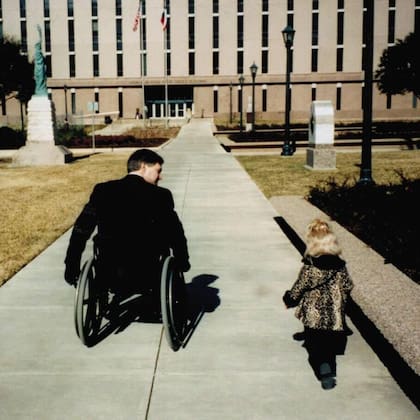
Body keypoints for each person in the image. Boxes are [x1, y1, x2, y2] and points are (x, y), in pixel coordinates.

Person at [64, 149, 190, 300]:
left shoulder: (103, 191)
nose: (160, 177)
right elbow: (175, 233)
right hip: (148, 270)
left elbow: (81, 230)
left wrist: (72, 265)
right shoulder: (161, 195)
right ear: (143, 167)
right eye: (158, 171)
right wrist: (182, 261)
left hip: (108, 269)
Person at [283, 218, 353, 390]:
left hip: (313, 315)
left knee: (316, 347)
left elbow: (299, 287)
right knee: (329, 345)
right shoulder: (340, 266)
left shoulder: (311, 267)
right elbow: (347, 286)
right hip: (334, 315)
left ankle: (323, 368)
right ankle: (329, 365)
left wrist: (289, 299)